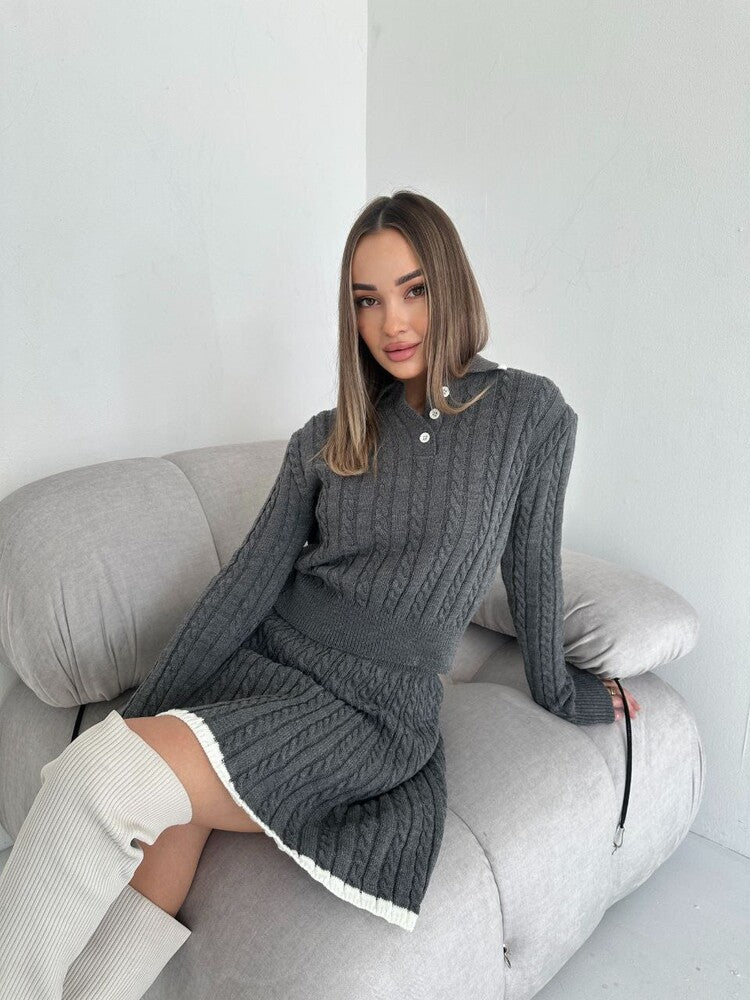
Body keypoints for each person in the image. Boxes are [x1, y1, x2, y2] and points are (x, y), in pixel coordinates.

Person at [0, 190, 641, 999]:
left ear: (450, 283)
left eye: (413, 290)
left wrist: (566, 690)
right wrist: (148, 713)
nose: (393, 323)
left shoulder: (531, 414)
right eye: (366, 301)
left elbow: (534, 574)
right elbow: (245, 587)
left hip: (370, 713)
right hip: (269, 661)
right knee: (142, 793)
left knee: (98, 778)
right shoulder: (329, 435)